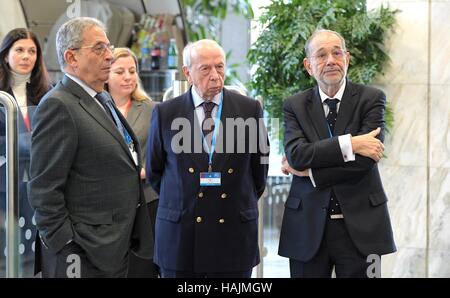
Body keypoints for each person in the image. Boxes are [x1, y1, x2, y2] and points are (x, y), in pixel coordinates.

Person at [28, 17, 153, 278]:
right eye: (99, 49)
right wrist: (67, 245)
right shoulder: (58, 105)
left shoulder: (101, 98)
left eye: (109, 47)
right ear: (71, 58)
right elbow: (44, 189)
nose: (109, 56)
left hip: (113, 246)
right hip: (81, 254)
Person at [278, 29, 396, 278]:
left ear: (347, 58)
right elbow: (297, 155)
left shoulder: (372, 99)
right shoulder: (294, 105)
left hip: (362, 227)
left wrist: (311, 172)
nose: (330, 60)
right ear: (308, 66)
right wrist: (350, 145)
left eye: (337, 52)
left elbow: (365, 160)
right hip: (306, 227)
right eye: (321, 55)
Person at [147, 39, 269, 278]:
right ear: (187, 73)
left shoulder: (249, 110)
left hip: (233, 232)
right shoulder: (165, 113)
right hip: (181, 234)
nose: (215, 75)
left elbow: (259, 173)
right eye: (205, 68)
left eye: (220, 67)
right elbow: (155, 172)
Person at [0, 28, 51, 276]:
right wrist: (25, 143)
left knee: (33, 258)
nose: (26, 56)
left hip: (37, 184)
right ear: (5, 55)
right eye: (19, 50)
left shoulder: (47, 95)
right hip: (4, 186)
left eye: (32, 51)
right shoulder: (1, 97)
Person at [106, 47, 158, 277]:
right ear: (105, 74)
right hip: (108, 203)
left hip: (146, 200)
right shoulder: (95, 109)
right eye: (119, 71)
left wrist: (149, 170)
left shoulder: (152, 109)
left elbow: (163, 153)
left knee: (142, 267)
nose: (128, 76)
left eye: (132, 70)